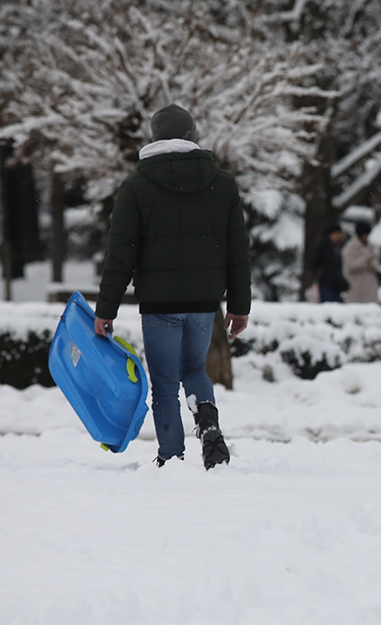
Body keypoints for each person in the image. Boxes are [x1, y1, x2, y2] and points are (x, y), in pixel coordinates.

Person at [93, 104, 250, 470]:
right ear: (192, 135)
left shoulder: (136, 186)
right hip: (204, 300)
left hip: (160, 303)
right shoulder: (222, 183)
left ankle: (171, 457)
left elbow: (121, 255)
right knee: (194, 369)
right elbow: (238, 250)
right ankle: (208, 423)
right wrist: (239, 305)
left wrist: (106, 310)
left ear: (154, 137)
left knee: (164, 383)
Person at [342, 221, 380, 304]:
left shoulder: (370, 246)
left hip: (370, 287)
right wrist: (365, 261)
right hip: (356, 287)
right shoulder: (351, 247)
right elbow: (349, 265)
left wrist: (373, 265)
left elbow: (376, 261)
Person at [310, 225, 349, 303]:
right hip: (325, 283)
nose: (339, 236)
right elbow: (314, 264)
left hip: (338, 284)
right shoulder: (322, 246)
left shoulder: (341, 247)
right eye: (336, 234)